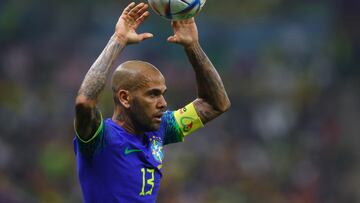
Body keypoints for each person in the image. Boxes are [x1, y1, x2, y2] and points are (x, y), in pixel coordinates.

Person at [73, 2, 230, 203]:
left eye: (162, 94)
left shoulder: (159, 129)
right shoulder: (99, 139)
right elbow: (85, 102)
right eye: (153, 94)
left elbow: (216, 104)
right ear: (125, 98)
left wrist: (192, 46)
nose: (163, 103)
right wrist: (118, 40)